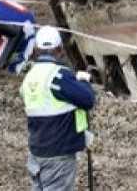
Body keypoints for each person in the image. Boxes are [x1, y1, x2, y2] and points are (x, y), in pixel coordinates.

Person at [21, 25, 96, 191]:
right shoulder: (58, 76)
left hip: (37, 152)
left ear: (36, 50)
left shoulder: (29, 77)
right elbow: (88, 99)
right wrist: (83, 81)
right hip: (58, 155)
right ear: (60, 50)